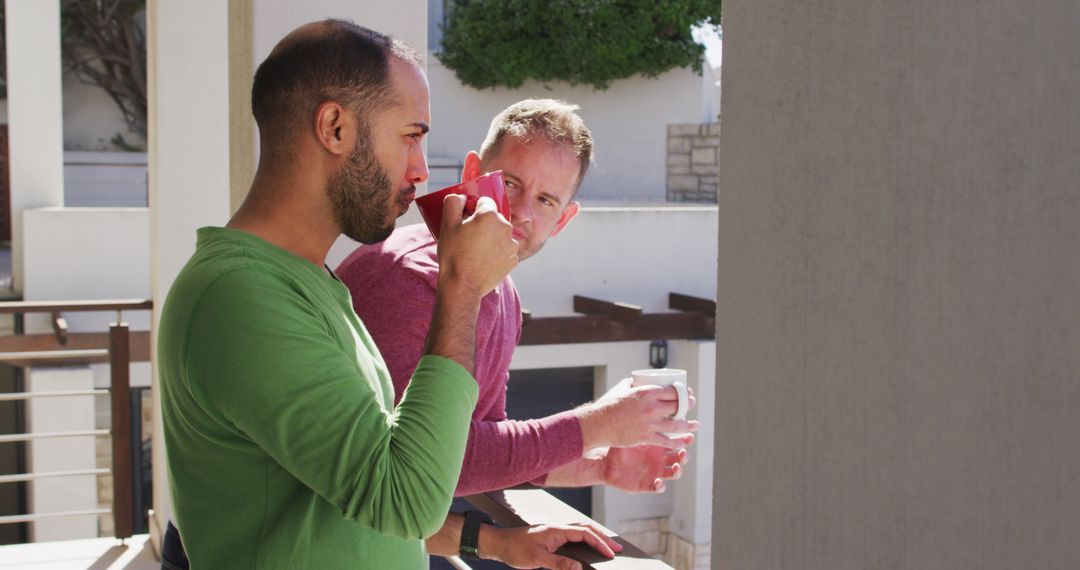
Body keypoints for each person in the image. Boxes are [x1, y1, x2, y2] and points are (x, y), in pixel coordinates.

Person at [158, 21, 618, 570]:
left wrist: (491, 542)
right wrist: (463, 286)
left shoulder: (310, 285)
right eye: (410, 136)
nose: (422, 171)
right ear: (335, 127)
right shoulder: (240, 299)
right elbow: (409, 501)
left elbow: (371, 484)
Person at [337, 99, 700, 510]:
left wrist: (598, 467)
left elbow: (486, 441)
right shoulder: (408, 276)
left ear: (562, 220)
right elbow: (428, 461)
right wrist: (598, 425)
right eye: (510, 184)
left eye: (546, 201)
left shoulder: (504, 293)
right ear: (472, 173)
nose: (523, 212)